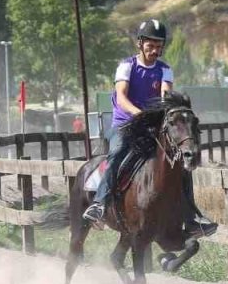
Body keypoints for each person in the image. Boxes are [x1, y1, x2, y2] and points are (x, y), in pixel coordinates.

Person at [83, 20, 215, 236]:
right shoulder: (127, 66)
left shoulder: (165, 70)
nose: (154, 50)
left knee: (180, 161)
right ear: (140, 44)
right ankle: (99, 203)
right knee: (116, 154)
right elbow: (122, 98)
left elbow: (165, 96)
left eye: (158, 46)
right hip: (125, 126)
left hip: (152, 128)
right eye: (150, 45)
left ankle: (192, 217)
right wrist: (140, 115)